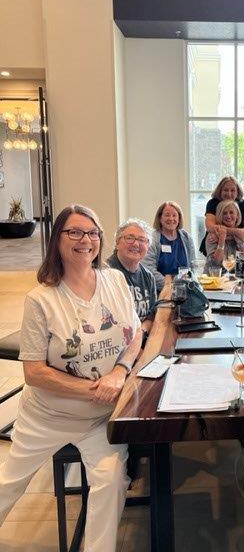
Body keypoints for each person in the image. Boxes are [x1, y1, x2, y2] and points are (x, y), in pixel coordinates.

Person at [0, 205, 141, 552]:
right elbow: (34, 372)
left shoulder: (114, 280)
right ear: (57, 240)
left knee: (111, 481)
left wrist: (119, 372)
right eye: (74, 232)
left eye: (92, 233)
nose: (85, 240)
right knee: (8, 485)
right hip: (47, 418)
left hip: (100, 421)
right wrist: (97, 388)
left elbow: (136, 333)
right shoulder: (41, 299)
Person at [107, 218, 156, 347]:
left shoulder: (148, 277)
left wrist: (140, 334)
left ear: (147, 246)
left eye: (142, 240)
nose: (136, 244)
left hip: (141, 341)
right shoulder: (105, 274)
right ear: (117, 243)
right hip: (115, 346)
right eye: (129, 238)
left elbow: (151, 317)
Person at [142, 201, 195, 291]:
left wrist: (183, 285)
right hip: (160, 290)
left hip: (184, 289)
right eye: (167, 215)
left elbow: (193, 266)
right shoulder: (152, 239)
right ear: (160, 218)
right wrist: (170, 286)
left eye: (174, 215)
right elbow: (148, 269)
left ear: (179, 218)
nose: (171, 218)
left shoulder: (187, 237)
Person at [199, 176, 244, 256]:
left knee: (243, 261)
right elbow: (210, 227)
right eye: (225, 190)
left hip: (238, 245)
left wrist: (223, 236)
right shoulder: (212, 203)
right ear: (220, 191)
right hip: (215, 243)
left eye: (232, 190)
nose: (229, 194)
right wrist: (237, 232)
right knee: (215, 262)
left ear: (237, 192)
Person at [205, 200, 244, 270]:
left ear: (237, 215)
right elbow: (215, 264)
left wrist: (241, 244)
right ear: (220, 216)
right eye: (224, 213)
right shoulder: (213, 235)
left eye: (231, 212)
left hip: (237, 276)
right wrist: (221, 241)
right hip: (215, 275)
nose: (228, 216)